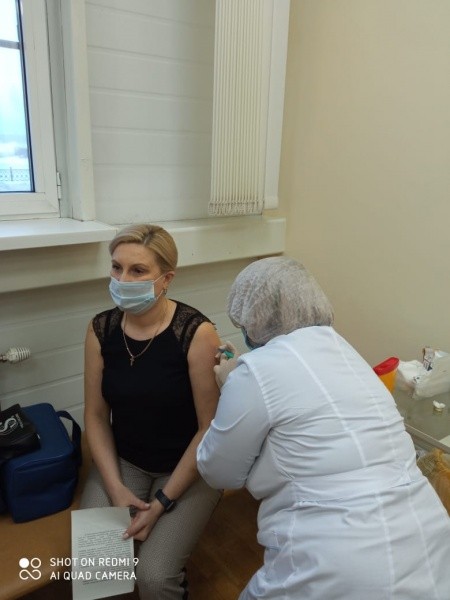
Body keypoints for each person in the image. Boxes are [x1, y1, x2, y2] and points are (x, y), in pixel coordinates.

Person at [197, 256, 450, 600]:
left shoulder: (255, 371)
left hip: (337, 556)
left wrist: (231, 386)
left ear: (255, 315)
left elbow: (219, 472)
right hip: (425, 536)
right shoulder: (346, 353)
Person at [81, 224, 222, 599]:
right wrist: (115, 488)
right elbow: (96, 416)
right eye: (117, 267)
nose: (122, 279)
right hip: (126, 460)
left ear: (166, 279)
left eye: (138, 270)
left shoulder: (196, 334)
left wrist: (160, 505)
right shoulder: (100, 330)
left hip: (188, 466)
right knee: (96, 565)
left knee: (155, 577)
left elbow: (209, 428)